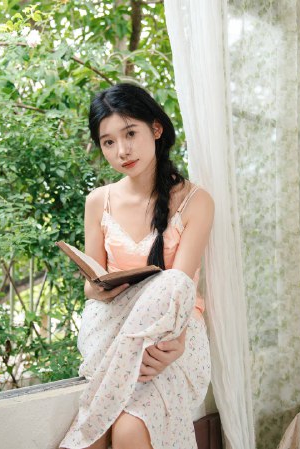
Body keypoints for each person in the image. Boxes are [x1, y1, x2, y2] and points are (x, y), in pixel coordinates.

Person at [59, 83, 213, 449]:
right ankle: (102, 408)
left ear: (156, 129)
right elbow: (91, 285)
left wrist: (176, 341)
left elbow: (180, 290)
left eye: (130, 134)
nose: (122, 151)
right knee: (114, 426)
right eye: (108, 142)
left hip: (170, 337)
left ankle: (91, 421)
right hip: (113, 327)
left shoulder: (196, 201)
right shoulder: (98, 201)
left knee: (172, 284)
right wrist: (100, 286)